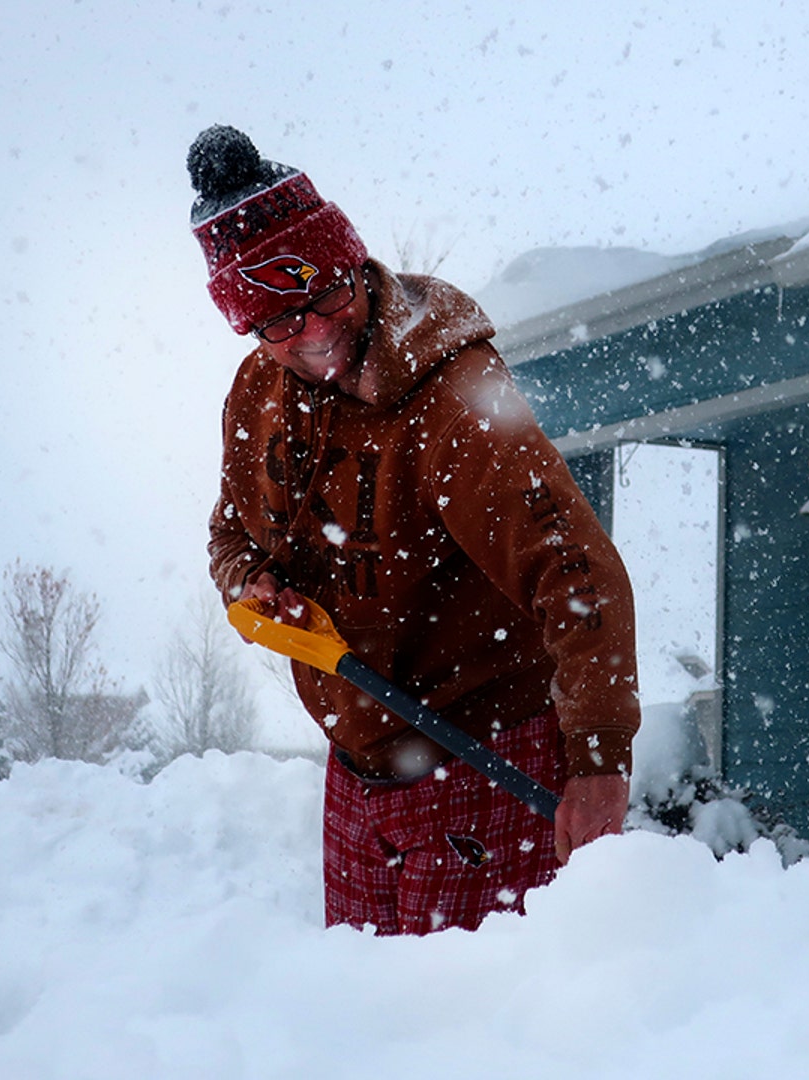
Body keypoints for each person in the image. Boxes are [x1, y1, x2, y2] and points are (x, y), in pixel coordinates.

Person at [187, 125, 641, 935]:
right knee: (367, 1023)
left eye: (326, 295)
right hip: (358, 768)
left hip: (486, 754)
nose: (314, 333)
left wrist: (600, 758)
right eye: (279, 322)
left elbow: (573, 568)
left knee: (480, 1031)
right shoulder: (258, 394)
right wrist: (248, 583)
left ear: (354, 263)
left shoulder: (453, 392)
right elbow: (229, 534)